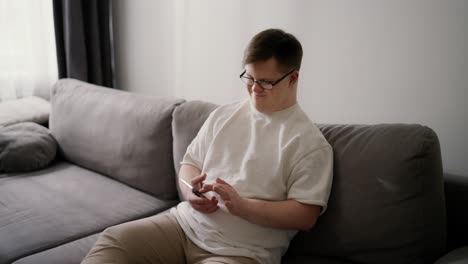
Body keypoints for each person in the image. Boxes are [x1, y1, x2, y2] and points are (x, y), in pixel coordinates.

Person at [81, 28, 333, 264]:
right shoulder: (224, 115)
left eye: (266, 82)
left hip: (242, 252)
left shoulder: (309, 143)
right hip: (183, 226)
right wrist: (191, 191)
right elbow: (189, 164)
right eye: (249, 77)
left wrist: (243, 207)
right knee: (113, 240)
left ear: (293, 78)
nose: (254, 89)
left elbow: (305, 216)